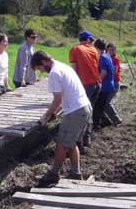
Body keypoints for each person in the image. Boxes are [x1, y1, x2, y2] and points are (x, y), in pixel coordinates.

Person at [31, 51, 92, 185]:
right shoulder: (62, 66)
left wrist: (46, 116)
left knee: (61, 144)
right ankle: (75, 173)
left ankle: (53, 174)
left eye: (39, 68)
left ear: (43, 62)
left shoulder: (54, 73)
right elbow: (65, 96)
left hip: (75, 111)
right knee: (71, 143)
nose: (41, 71)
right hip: (84, 107)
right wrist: (55, 113)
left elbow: (57, 99)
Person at [69, 30, 101, 148]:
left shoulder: (75, 50)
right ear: (87, 39)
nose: (91, 43)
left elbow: (73, 70)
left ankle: (79, 141)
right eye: (91, 40)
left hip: (85, 85)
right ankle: (87, 137)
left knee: (81, 113)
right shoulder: (94, 50)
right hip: (97, 84)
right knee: (89, 111)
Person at [93, 39, 115, 130]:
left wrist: (97, 81)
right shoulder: (107, 55)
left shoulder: (101, 57)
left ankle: (97, 125)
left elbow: (104, 72)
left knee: (97, 107)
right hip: (110, 84)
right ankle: (105, 121)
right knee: (100, 105)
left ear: (96, 47)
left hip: (104, 86)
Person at [106, 43, 123, 126]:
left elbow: (114, 72)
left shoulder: (115, 59)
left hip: (114, 83)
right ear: (107, 50)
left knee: (106, 103)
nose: (112, 51)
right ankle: (107, 120)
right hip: (110, 83)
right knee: (104, 102)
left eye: (113, 50)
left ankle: (116, 119)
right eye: (110, 50)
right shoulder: (107, 57)